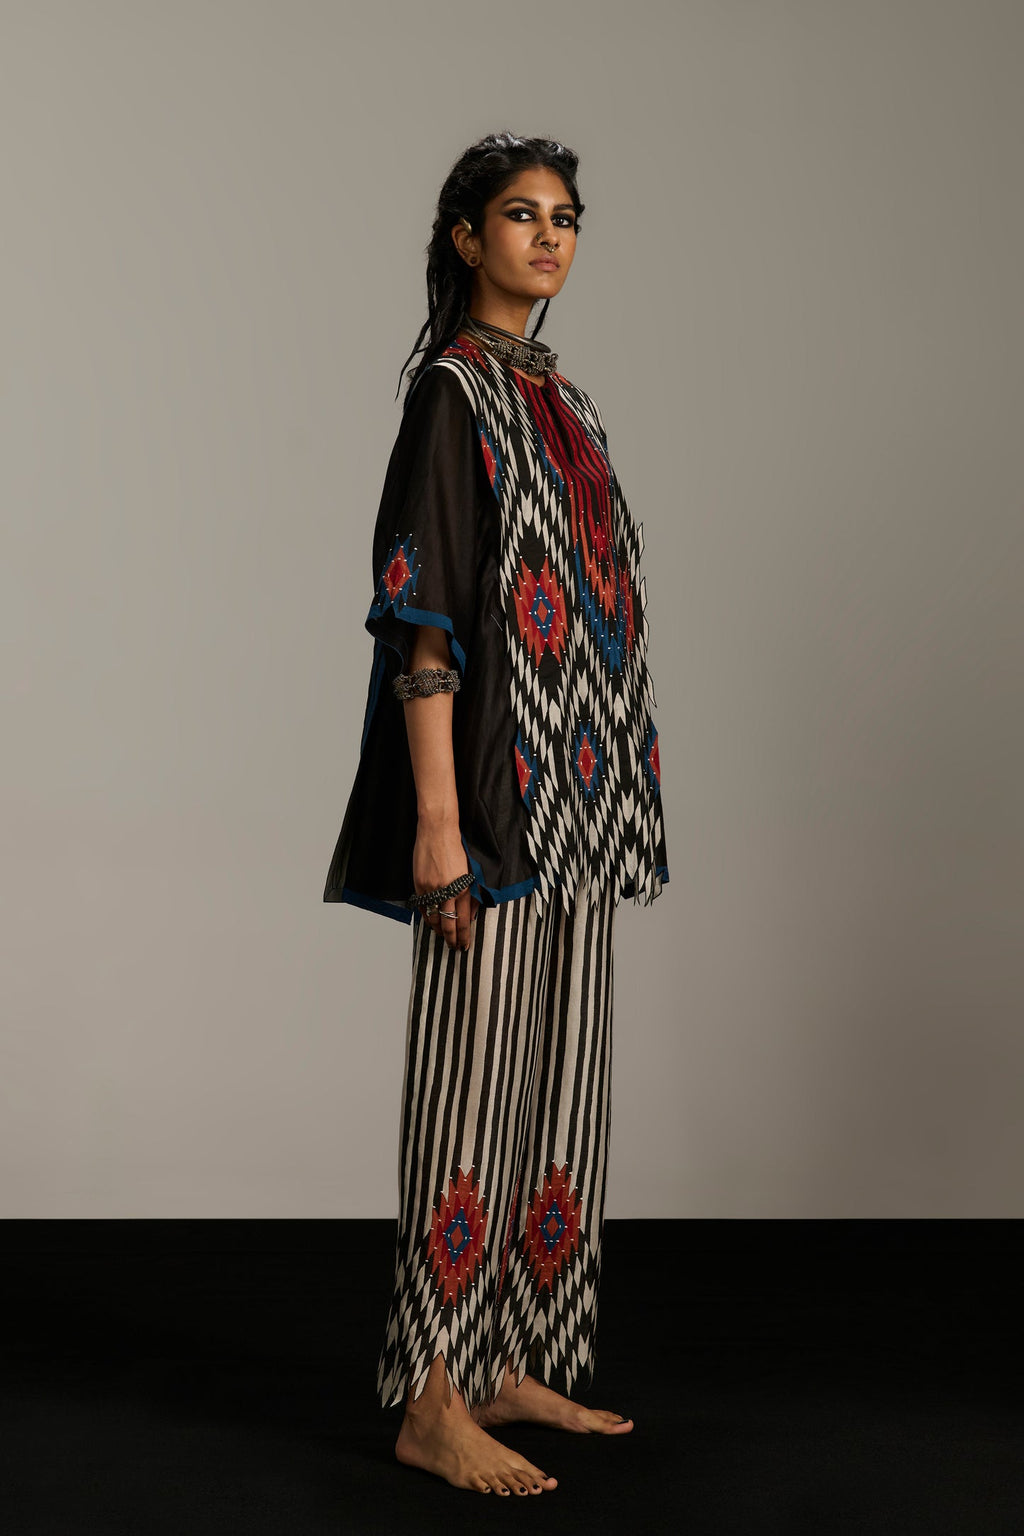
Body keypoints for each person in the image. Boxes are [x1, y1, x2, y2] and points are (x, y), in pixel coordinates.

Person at [323, 131, 669, 1497]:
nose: (549, 237)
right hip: (495, 806)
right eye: (520, 215)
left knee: (559, 1096)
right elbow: (422, 614)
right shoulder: (456, 398)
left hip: (586, 807)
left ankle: (515, 1354)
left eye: (567, 218)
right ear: (466, 238)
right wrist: (438, 826)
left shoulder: (562, 400)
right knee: (468, 1098)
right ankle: (427, 1393)